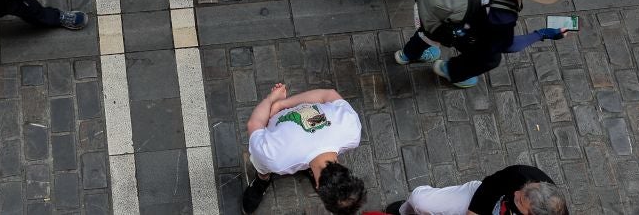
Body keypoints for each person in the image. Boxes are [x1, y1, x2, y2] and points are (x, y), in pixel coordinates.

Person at [394, 0, 567, 88]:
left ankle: (405, 55)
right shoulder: (502, 14)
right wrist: (541, 34)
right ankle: (449, 70)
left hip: (429, 1)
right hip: (446, 25)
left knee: (426, 34)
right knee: (490, 59)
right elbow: (507, 46)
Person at [241, 84, 366, 215]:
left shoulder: (352, 129)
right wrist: (270, 100)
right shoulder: (274, 158)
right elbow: (255, 124)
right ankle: (262, 179)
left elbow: (328, 94)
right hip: (275, 136)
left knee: (263, 162)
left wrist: (282, 104)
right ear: (318, 188)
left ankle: (264, 178)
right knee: (263, 168)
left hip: (284, 126)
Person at [385, 164, 566, 215]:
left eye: (519, 201)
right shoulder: (524, 175)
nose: (516, 193)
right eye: (524, 189)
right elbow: (490, 186)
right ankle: (404, 211)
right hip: (484, 200)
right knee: (420, 201)